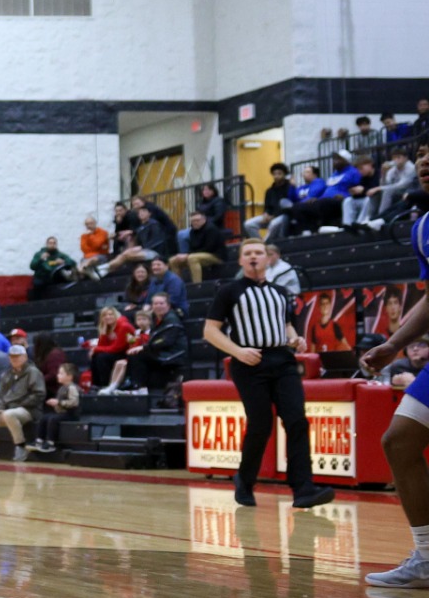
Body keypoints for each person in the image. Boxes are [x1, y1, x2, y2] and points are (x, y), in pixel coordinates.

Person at [201, 240, 335, 509]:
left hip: (283, 360)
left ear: (268, 258)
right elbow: (209, 331)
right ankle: (245, 480)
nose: (253, 257)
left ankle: (303, 490)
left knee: (297, 420)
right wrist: (238, 352)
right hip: (249, 363)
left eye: (258, 253)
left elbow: (285, 325)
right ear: (241, 261)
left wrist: (296, 339)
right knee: (261, 424)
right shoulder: (229, 291)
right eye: (247, 254)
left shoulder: (280, 292)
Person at [0, 345, 45, 461]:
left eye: (17, 356)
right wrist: (0, 407)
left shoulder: (33, 372)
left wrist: (19, 405)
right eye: (12, 357)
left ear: (24, 357)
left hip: (29, 409)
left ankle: (21, 446)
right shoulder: (7, 374)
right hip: (8, 410)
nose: (14, 359)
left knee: (10, 414)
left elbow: (39, 394)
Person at [120, 294, 187, 393]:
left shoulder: (171, 319)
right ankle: (135, 385)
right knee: (132, 353)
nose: (158, 306)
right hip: (161, 351)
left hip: (172, 354)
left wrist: (144, 347)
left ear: (168, 305)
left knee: (138, 355)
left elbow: (165, 341)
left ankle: (139, 387)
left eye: (161, 303)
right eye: (155, 303)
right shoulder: (156, 319)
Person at [32, 363, 80, 453]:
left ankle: (51, 443)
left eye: (61, 373)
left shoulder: (72, 388)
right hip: (62, 413)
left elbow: (74, 402)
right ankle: (39, 440)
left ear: (69, 376)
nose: (58, 375)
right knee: (44, 417)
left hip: (71, 414)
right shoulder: (62, 388)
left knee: (53, 419)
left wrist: (59, 402)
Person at [170, 211, 229, 283]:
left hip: (216, 256)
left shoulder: (211, 229)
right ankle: (178, 285)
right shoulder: (192, 231)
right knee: (173, 260)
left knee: (192, 258)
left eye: (197, 220)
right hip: (199, 254)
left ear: (204, 220)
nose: (195, 223)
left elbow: (209, 248)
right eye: (192, 221)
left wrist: (187, 254)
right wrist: (186, 254)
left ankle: (197, 285)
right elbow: (193, 247)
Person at [87, 306, 135, 390]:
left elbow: (117, 348)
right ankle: (96, 385)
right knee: (96, 356)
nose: (108, 317)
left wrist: (96, 349)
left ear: (116, 315)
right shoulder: (107, 327)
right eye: (104, 315)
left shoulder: (124, 326)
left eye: (110, 314)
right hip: (116, 353)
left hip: (128, 354)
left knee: (102, 357)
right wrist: (104, 333)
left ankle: (106, 384)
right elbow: (102, 345)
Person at [244, 163, 292, 240]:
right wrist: (266, 213)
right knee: (249, 224)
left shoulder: (290, 188)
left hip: (284, 216)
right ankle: (259, 242)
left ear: (284, 174)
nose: (276, 176)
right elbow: (267, 206)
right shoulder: (269, 191)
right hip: (270, 216)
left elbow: (288, 207)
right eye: (274, 174)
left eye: (279, 173)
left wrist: (273, 216)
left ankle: (266, 244)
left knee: (273, 224)